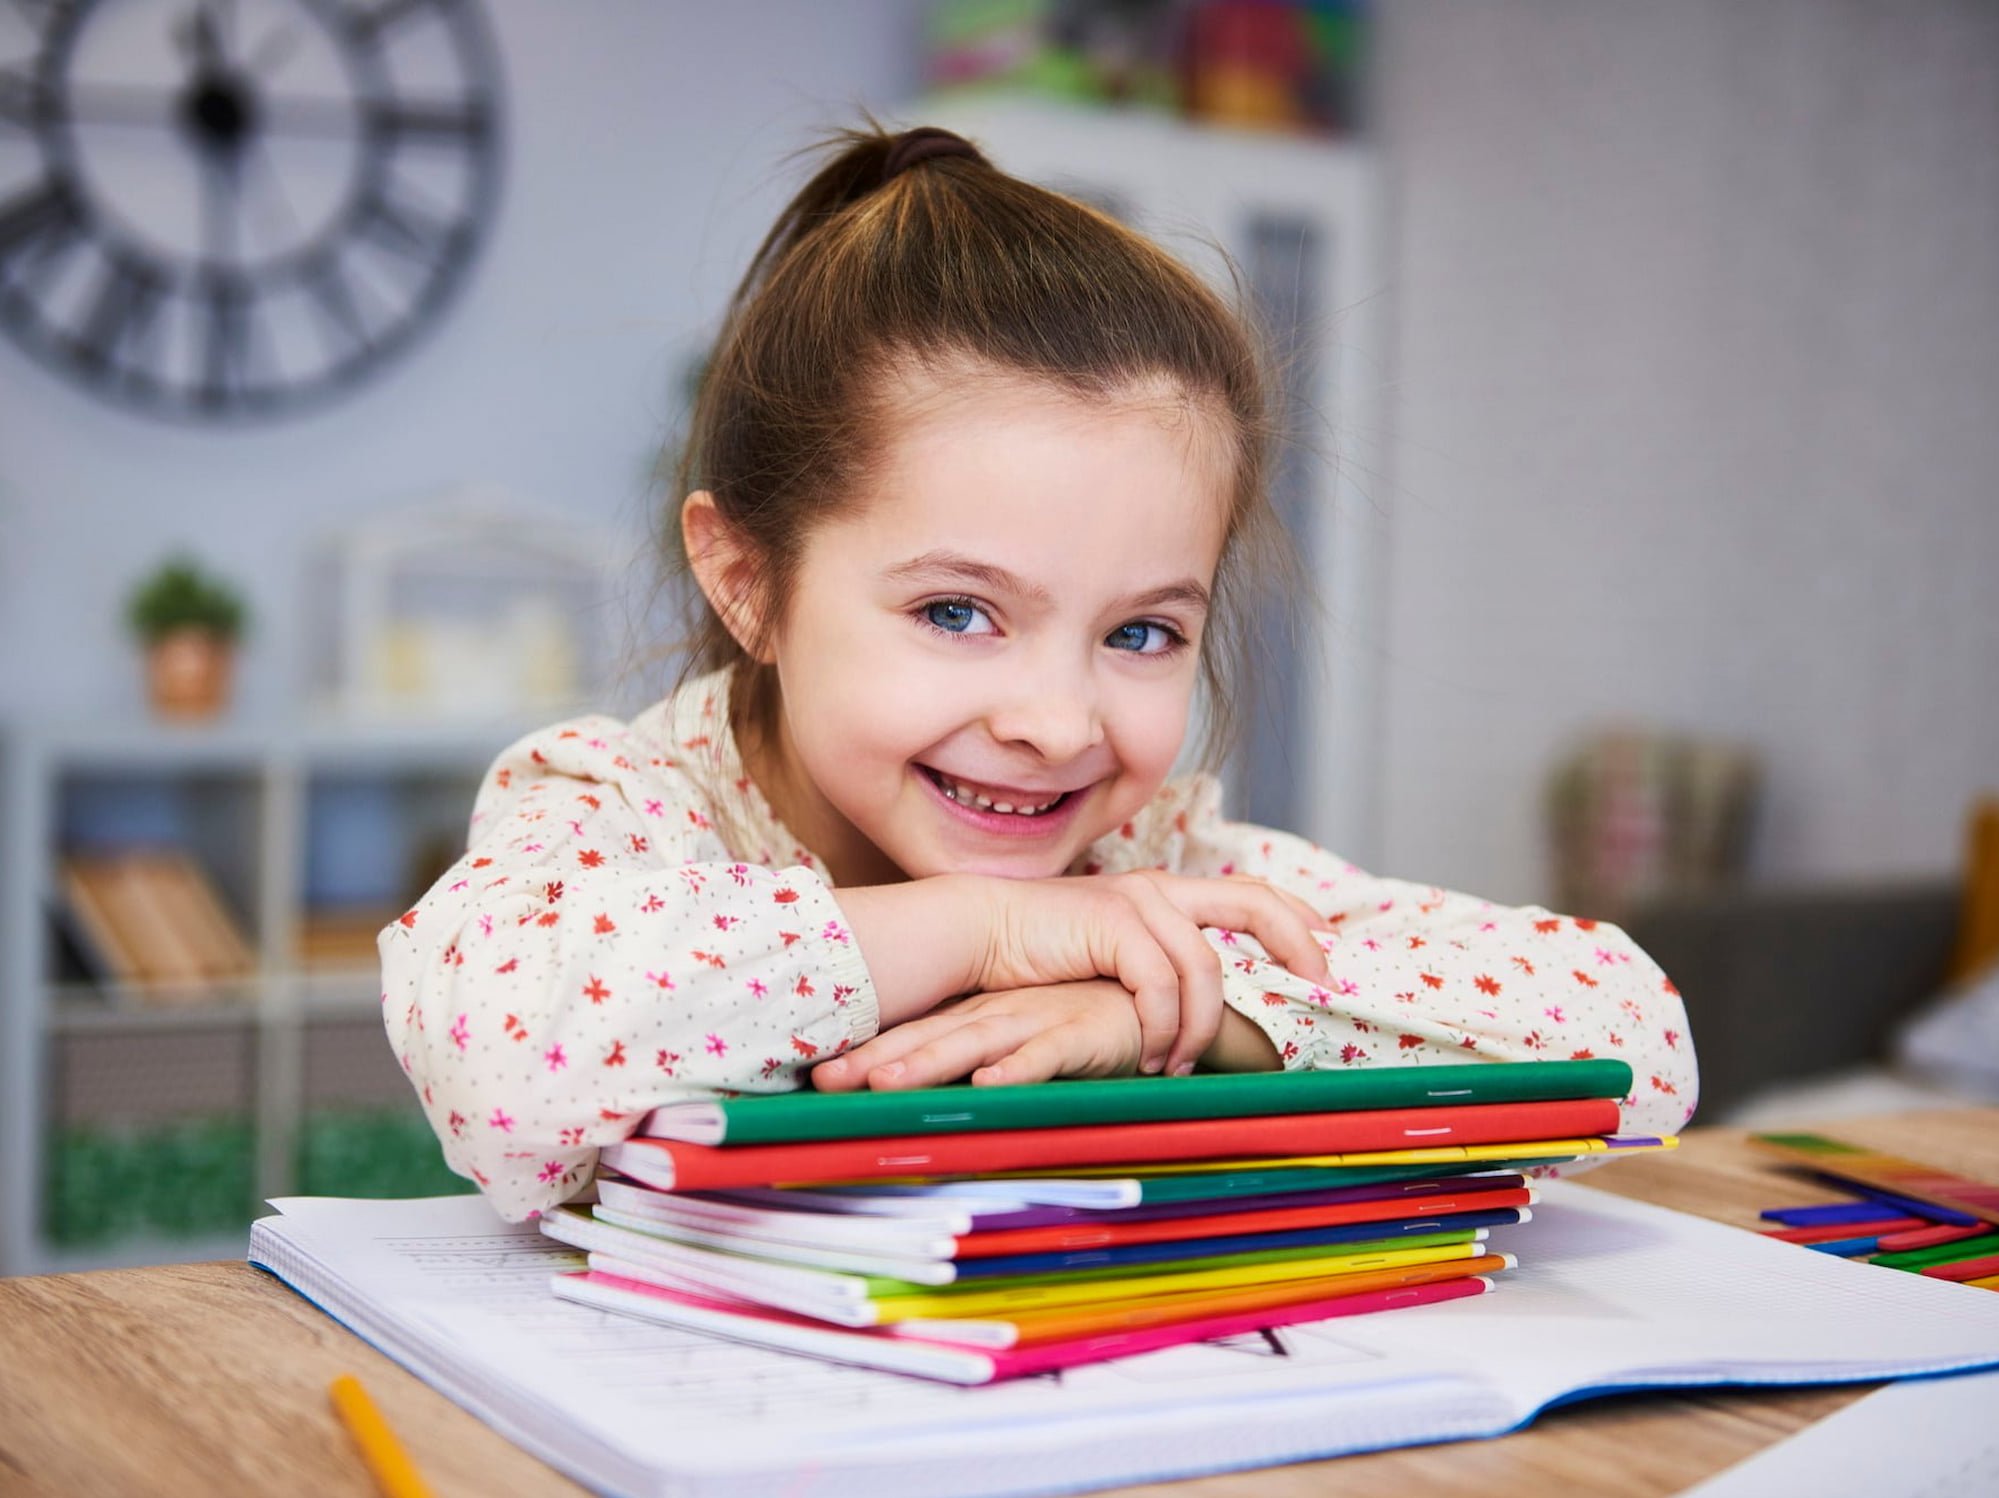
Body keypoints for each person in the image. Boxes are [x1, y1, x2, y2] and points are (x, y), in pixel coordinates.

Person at [380, 125, 1697, 1222]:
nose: (1058, 723)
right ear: (747, 579)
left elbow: (1638, 1042)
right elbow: (496, 1056)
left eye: (1140, 634)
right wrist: (987, 932)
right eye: (958, 610)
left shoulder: (1156, 875)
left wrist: (1191, 1010)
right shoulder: (626, 806)